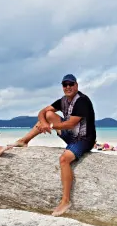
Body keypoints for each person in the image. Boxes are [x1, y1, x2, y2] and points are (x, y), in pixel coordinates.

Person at [9, 74, 96, 216]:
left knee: (64, 160)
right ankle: (24, 141)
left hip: (84, 139)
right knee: (49, 114)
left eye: (71, 84)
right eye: (65, 84)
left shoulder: (82, 101)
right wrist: (44, 123)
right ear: (62, 87)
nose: (68, 87)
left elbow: (70, 123)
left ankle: (66, 201)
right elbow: (42, 112)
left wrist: (52, 126)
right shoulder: (63, 101)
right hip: (71, 134)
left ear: (76, 85)